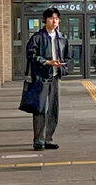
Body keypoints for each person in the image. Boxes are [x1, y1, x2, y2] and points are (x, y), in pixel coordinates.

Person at [26, 8, 69, 150]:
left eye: (56, 18)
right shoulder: (37, 37)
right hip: (41, 77)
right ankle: (39, 140)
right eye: (51, 18)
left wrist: (63, 66)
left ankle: (48, 139)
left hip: (56, 77)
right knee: (40, 109)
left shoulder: (62, 38)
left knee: (53, 109)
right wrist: (47, 62)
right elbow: (31, 55)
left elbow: (68, 57)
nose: (54, 21)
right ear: (45, 20)